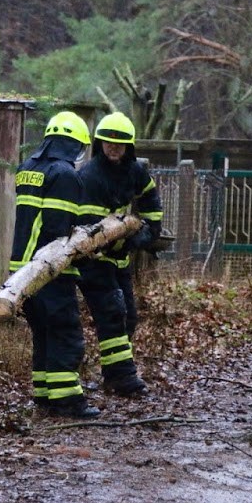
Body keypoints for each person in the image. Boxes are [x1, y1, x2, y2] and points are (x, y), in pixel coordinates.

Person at [12, 112, 101, 418]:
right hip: (48, 267)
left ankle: (45, 396)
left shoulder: (29, 167)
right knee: (65, 333)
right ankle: (68, 402)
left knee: (43, 333)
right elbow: (57, 226)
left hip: (22, 269)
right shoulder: (63, 174)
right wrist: (84, 241)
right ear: (73, 144)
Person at [76, 112, 164, 396]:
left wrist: (148, 232)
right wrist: (120, 239)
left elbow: (150, 197)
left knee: (128, 318)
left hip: (119, 259)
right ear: (99, 143)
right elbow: (89, 230)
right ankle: (123, 378)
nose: (113, 148)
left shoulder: (135, 171)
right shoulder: (89, 176)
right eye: (108, 143)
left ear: (129, 147)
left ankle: (113, 372)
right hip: (92, 261)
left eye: (120, 144)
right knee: (112, 312)